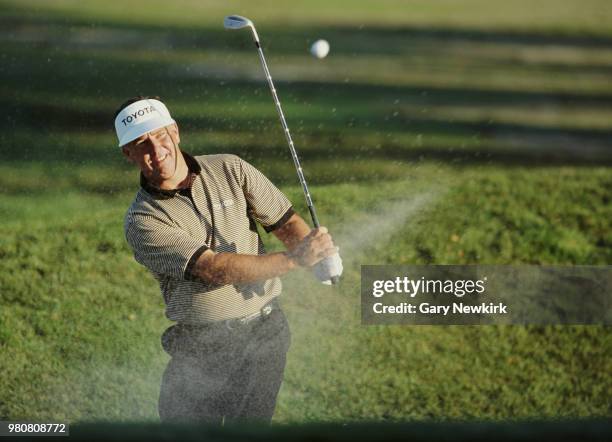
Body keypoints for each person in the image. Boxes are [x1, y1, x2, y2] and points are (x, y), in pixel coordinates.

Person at [113, 96, 341, 424]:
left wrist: (319, 255)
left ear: (175, 132)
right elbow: (214, 269)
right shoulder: (142, 220)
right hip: (200, 346)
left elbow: (284, 221)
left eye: (160, 135)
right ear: (128, 153)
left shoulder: (228, 167)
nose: (155, 148)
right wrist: (295, 260)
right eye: (141, 143)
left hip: (264, 335)